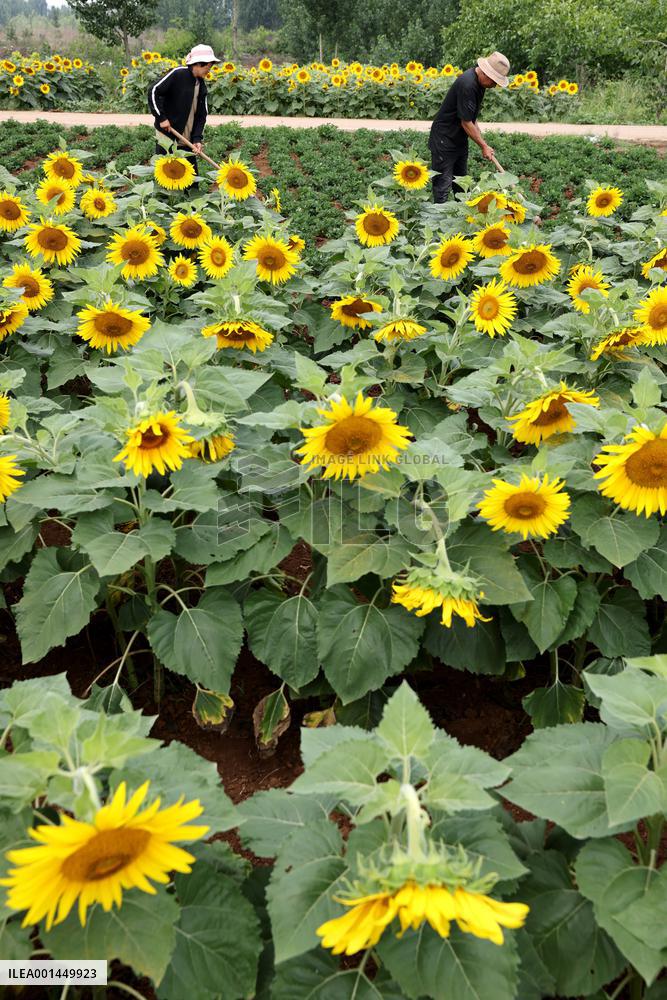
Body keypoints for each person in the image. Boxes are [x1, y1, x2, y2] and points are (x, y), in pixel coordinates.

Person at [428, 51, 510, 204]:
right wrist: (483, 146)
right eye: (494, 81)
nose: (494, 85)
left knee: (461, 185)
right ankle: (438, 217)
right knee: (442, 187)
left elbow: (471, 118)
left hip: (459, 140)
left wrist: (482, 141)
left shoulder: (480, 84)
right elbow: (465, 122)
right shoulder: (468, 84)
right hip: (444, 140)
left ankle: (461, 217)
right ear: (485, 73)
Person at [147, 43, 220, 172]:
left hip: (187, 140)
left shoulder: (201, 86)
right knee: (166, 173)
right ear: (198, 63)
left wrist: (197, 138)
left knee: (191, 177)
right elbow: (153, 91)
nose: (209, 70)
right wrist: (161, 118)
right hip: (168, 136)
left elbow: (201, 115)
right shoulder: (178, 74)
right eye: (208, 66)